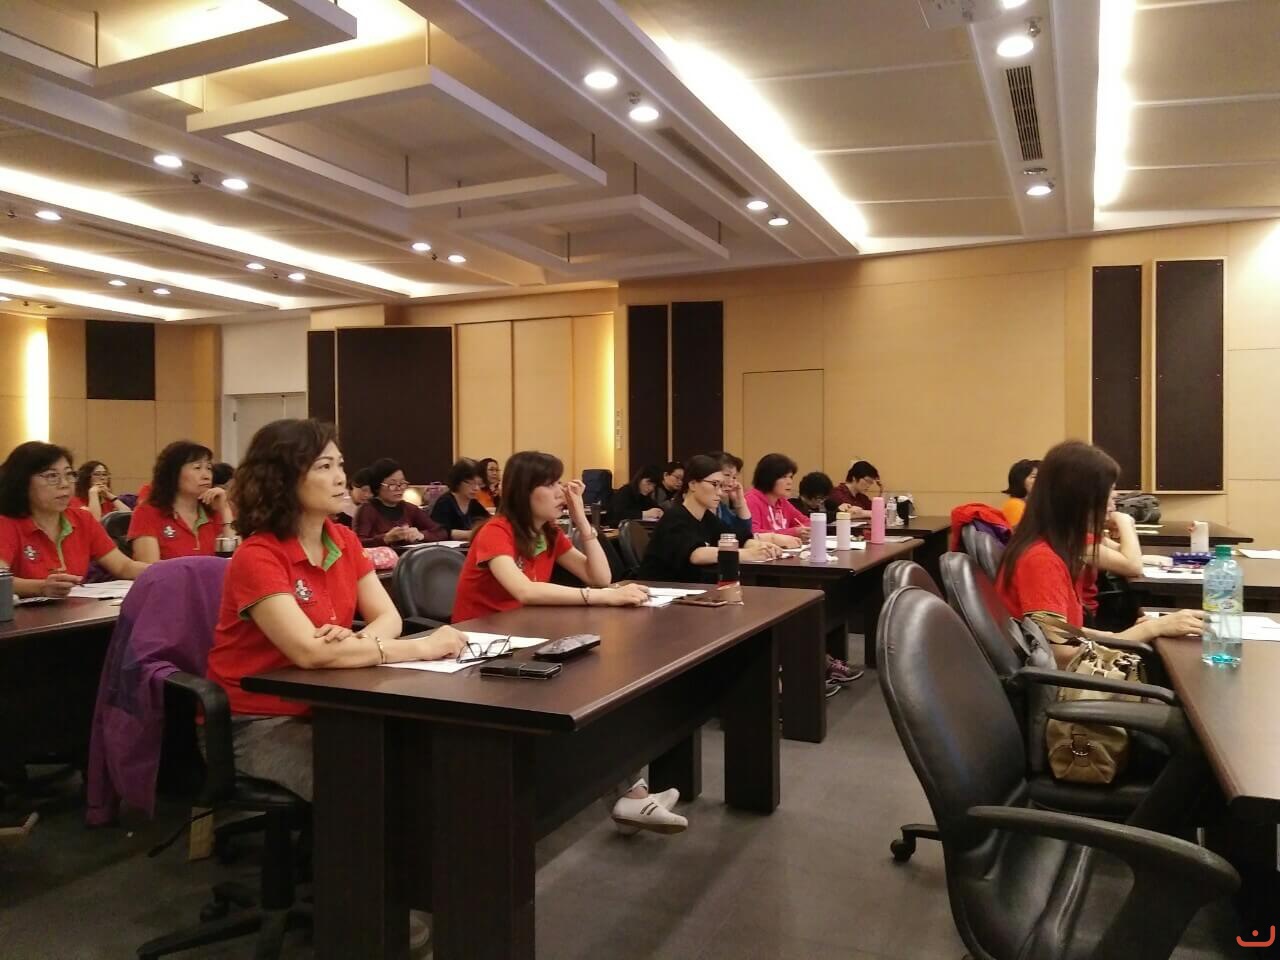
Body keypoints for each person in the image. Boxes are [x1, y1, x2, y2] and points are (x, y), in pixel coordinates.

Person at [205, 419, 462, 952]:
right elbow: (308, 652)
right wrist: (412, 649)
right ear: (283, 477)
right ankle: (373, 919)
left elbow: (388, 618)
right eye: (324, 466)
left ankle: (406, 896)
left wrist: (356, 642)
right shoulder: (258, 556)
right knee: (370, 785)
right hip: (257, 722)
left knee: (418, 764)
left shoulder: (342, 539)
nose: (342, 476)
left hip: (327, 706)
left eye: (341, 464)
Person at [449, 452, 676, 833]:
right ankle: (629, 796)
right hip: (481, 651)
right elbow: (524, 590)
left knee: (604, 682)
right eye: (551, 485)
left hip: (523, 642)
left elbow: (600, 577)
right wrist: (599, 598)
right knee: (585, 688)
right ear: (525, 490)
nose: (561, 492)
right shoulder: (496, 531)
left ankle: (631, 795)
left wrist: (582, 520)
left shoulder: (548, 533)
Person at [996, 440, 1203, 643]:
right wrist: (1152, 628)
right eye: (1109, 491)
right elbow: (1062, 654)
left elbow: (1064, 632)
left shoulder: (1055, 543)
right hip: (1064, 666)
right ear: (1080, 498)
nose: (1115, 499)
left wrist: (1123, 634)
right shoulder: (1042, 560)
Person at [0, 442, 148, 598]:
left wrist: (162, 570)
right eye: (52, 476)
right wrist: (40, 587)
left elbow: (123, 566)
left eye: (69, 475)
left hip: (74, 610)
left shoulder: (82, 519)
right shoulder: (6, 523)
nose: (64, 484)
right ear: (22, 481)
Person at [638, 454, 780, 583]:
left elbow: (735, 538)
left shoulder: (706, 517)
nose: (720, 492)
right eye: (714, 485)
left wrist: (760, 546)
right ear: (693, 484)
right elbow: (696, 554)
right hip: (661, 591)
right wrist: (747, 554)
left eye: (721, 486)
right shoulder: (674, 517)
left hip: (691, 590)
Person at [128, 441, 234, 563]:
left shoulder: (214, 511)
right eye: (197, 468)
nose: (206, 476)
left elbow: (236, 561)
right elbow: (150, 569)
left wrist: (225, 510)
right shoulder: (147, 513)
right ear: (173, 473)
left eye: (209, 468)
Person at [353, 458, 447, 548]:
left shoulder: (410, 509)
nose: (399, 488)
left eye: (402, 483)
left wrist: (421, 535)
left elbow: (441, 532)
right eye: (392, 484)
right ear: (377, 486)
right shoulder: (367, 510)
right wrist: (385, 538)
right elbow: (357, 543)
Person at [744, 454, 810, 541]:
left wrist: (803, 531)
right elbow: (753, 534)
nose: (789, 482)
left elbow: (807, 522)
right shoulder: (751, 500)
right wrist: (792, 532)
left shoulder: (781, 501)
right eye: (784, 477)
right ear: (769, 478)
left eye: (790, 477)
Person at [429, 458, 491, 540]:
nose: (476, 488)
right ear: (458, 481)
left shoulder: (473, 503)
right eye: (470, 483)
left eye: (478, 484)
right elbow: (442, 532)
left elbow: (488, 521)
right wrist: (472, 533)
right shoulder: (445, 502)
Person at [1000, 458, 1040, 528]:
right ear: (1020, 480)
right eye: (1035, 477)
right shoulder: (1015, 504)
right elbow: (1019, 533)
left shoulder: (1035, 505)